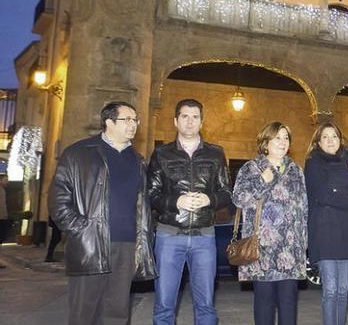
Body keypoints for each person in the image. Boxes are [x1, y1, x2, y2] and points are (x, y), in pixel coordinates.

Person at [49, 101, 156, 324]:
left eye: (135, 120)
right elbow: (57, 200)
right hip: (91, 242)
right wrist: (81, 228)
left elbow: (142, 204)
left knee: (117, 312)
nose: (133, 125)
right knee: (84, 312)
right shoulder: (78, 153)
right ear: (108, 122)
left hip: (127, 246)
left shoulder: (138, 161)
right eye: (127, 119)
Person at [147, 98, 232, 325]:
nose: (190, 121)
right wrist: (177, 201)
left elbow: (226, 193)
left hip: (204, 237)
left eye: (195, 117)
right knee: (164, 304)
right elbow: (150, 195)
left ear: (202, 121)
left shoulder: (215, 154)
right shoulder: (161, 154)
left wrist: (209, 198)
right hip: (168, 236)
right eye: (184, 116)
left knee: (205, 305)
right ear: (175, 121)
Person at [233, 121, 309, 325]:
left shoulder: (295, 170)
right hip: (262, 251)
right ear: (265, 142)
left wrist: (303, 247)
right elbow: (239, 199)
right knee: (264, 306)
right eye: (278, 138)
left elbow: (303, 210)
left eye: (286, 138)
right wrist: (262, 181)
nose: (283, 142)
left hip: (289, 251)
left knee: (289, 306)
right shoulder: (252, 168)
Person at [304, 122, 348, 325]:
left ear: (340, 140)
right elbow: (323, 196)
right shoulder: (313, 163)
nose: (331, 140)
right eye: (325, 137)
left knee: (343, 290)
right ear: (318, 142)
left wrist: (340, 192)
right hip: (325, 232)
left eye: (334, 136)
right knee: (330, 290)